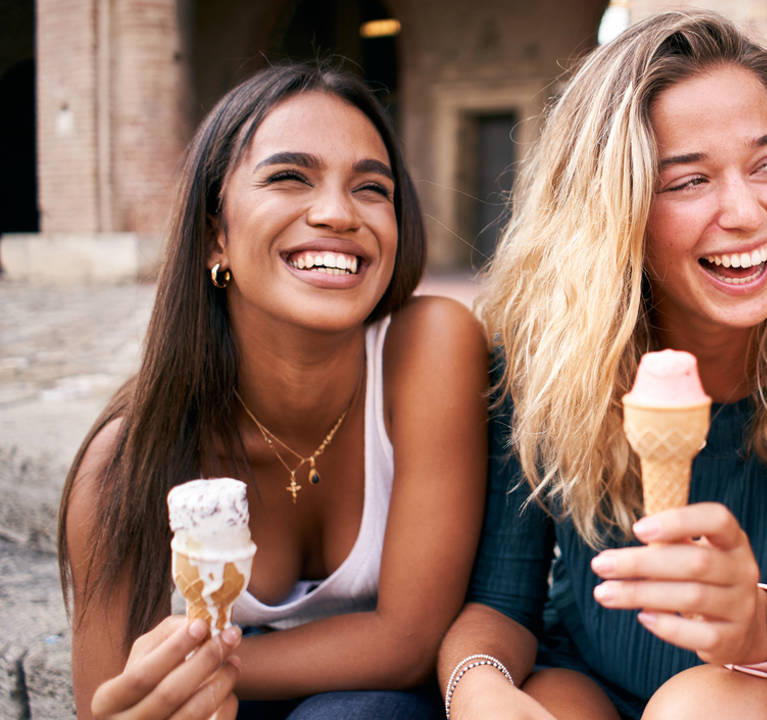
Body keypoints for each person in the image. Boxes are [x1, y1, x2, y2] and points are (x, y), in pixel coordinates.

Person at [435, 10, 767, 720]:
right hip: (588, 683)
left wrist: (754, 625)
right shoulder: (542, 357)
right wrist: (478, 691)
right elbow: (502, 603)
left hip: (765, 702)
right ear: (612, 210)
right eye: (688, 182)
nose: (748, 211)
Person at [57, 63, 489, 719]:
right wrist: (160, 698)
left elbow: (407, 642)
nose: (338, 213)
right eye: (290, 177)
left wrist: (196, 670)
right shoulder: (120, 466)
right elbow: (111, 698)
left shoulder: (431, 345)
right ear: (214, 235)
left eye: (372, 189)